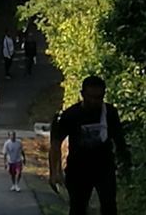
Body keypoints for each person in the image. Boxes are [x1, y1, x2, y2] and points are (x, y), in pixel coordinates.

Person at [49, 75, 131, 215]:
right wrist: (54, 172)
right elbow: (56, 144)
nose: (94, 101)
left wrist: (125, 163)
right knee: (78, 207)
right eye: (91, 97)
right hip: (78, 169)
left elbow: (119, 139)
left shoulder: (110, 113)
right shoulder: (71, 115)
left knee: (109, 206)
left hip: (104, 168)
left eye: (99, 97)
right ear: (82, 95)